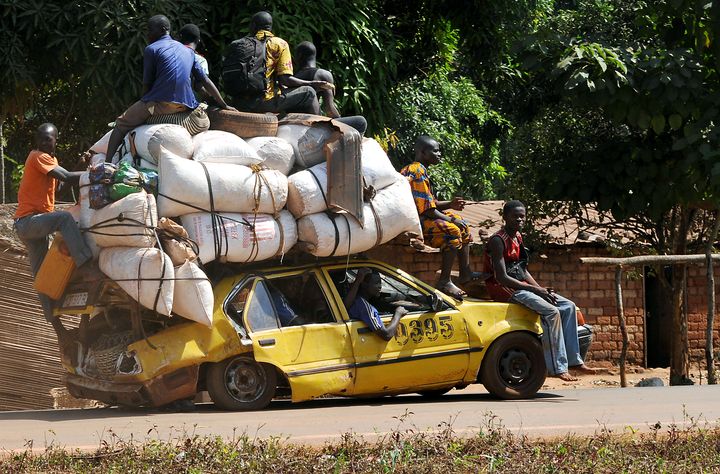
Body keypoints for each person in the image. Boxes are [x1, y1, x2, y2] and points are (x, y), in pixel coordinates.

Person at [483, 200, 595, 381]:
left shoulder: (518, 237)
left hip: (520, 285)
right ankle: (558, 368)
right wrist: (534, 289)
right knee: (551, 312)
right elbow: (502, 277)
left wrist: (540, 289)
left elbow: (522, 270)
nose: (519, 220)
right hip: (504, 289)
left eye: (522, 216)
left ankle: (574, 360)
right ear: (505, 217)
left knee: (568, 307)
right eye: (515, 216)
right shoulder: (498, 240)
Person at [104, 15, 235, 162]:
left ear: (163, 29)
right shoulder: (189, 52)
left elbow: (147, 84)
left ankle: (107, 164)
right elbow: (205, 80)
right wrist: (223, 104)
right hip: (186, 106)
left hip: (160, 103)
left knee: (121, 124)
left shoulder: (151, 49)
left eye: (150, 30)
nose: (147, 34)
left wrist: (143, 107)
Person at [14, 123, 93, 324]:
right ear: (37, 142)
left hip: (35, 226)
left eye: (48, 139)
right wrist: (94, 175)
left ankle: (54, 321)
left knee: (41, 276)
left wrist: (79, 166)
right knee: (64, 218)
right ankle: (85, 264)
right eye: (41, 139)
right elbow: (66, 177)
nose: (44, 142)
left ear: (56, 140)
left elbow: (61, 188)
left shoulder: (50, 160)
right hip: (28, 222)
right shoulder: (37, 156)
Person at [400, 136, 482, 299]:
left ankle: (465, 273)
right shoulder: (416, 171)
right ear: (423, 152)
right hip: (414, 223)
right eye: (435, 150)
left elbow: (431, 204)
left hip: (423, 217)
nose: (439, 154)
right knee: (452, 230)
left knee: (463, 224)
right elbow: (427, 211)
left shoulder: (420, 170)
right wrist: (451, 220)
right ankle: (444, 281)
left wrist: (451, 205)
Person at [227, 11, 332, 115]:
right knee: (309, 92)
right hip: (262, 103)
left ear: (253, 26)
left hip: (238, 101)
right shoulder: (279, 44)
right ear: (270, 27)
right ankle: (319, 126)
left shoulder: (238, 45)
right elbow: (285, 79)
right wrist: (312, 83)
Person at [344, 268, 408, 341]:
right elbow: (387, 334)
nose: (380, 286)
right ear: (364, 285)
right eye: (376, 283)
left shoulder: (356, 300)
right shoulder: (364, 307)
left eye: (380, 283)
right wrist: (398, 314)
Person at [294, 41, 340, 118]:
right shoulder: (323, 74)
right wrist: (341, 124)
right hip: (313, 119)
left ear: (299, 55)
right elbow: (329, 110)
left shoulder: (293, 78)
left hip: (294, 118)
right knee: (360, 121)